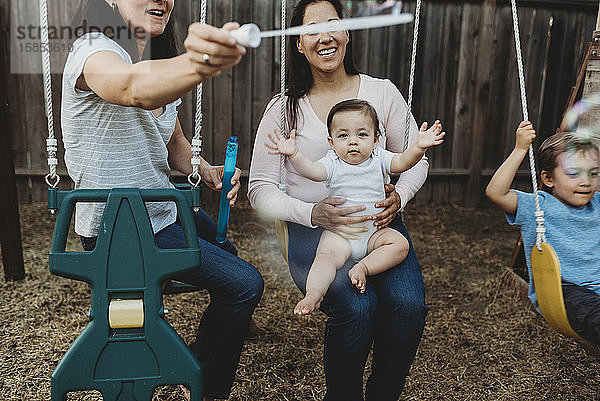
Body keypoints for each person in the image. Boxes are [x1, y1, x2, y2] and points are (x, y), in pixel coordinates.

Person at [61, 1, 264, 400]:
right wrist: (198, 63)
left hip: (161, 211)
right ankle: (200, 379)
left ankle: (223, 326)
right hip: (119, 230)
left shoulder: (157, 60)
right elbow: (131, 88)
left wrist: (206, 170)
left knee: (228, 250)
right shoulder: (92, 49)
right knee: (245, 285)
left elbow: (174, 143)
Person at [248, 0, 434, 398]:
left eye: (334, 24)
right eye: (311, 29)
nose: (325, 36)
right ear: (298, 43)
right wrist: (312, 213)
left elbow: (415, 162)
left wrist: (398, 196)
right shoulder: (284, 110)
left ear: (347, 31)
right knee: (357, 309)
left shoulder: (382, 94)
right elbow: (260, 189)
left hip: (376, 224)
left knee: (407, 308)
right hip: (312, 232)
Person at [266, 99, 444, 315]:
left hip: (374, 234)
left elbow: (402, 162)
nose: (353, 142)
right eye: (343, 135)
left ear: (376, 139)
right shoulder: (332, 162)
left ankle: (364, 267)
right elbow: (312, 171)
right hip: (341, 234)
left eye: (362, 135)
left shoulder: (379, 157)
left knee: (400, 244)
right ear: (331, 142)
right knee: (325, 258)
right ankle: (313, 294)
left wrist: (418, 147)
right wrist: (294, 154)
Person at [486, 121, 600, 344]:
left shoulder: (597, 203)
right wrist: (520, 149)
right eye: (574, 173)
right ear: (548, 179)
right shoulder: (537, 207)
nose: (586, 182)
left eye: (593, 173)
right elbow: (496, 193)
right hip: (563, 292)